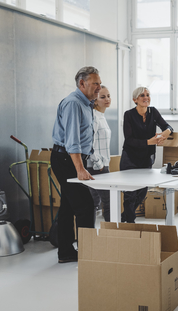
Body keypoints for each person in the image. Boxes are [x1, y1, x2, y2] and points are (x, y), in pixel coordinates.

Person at [51, 66, 101, 263]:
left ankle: (65, 252)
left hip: (71, 158)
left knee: (68, 207)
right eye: (95, 83)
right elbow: (73, 141)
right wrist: (79, 169)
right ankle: (88, 254)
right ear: (82, 83)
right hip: (66, 160)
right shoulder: (73, 103)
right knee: (85, 206)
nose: (99, 87)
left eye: (99, 82)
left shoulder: (87, 104)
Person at [120, 87, 173, 223]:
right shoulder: (129, 115)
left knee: (142, 192)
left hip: (146, 158)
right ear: (135, 100)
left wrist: (166, 132)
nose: (146, 97)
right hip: (130, 158)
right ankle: (130, 223)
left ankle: (124, 217)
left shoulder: (153, 112)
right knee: (130, 193)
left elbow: (167, 126)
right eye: (142, 95)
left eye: (148, 95)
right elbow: (129, 140)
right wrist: (148, 142)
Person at [87, 85, 112, 222]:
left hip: (102, 165)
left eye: (108, 96)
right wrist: (99, 163)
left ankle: (97, 236)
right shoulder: (94, 117)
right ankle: (111, 235)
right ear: (95, 100)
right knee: (106, 202)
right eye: (103, 97)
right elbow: (89, 143)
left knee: (96, 202)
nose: (107, 99)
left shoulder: (101, 116)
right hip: (96, 167)